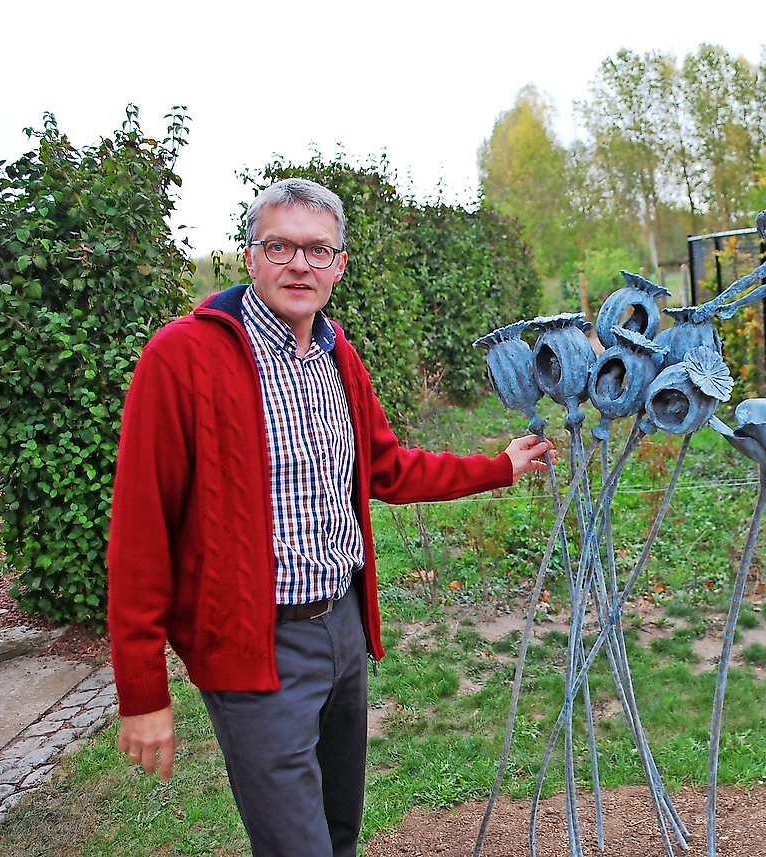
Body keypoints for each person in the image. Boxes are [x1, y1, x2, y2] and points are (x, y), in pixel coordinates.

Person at [107, 177, 553, 856]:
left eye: (318, 250)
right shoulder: (182, 358)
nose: (299, 264)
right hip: (256, 649)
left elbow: (387, 468)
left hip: (342, 631)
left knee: (339, 831)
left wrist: (497, 467)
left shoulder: (336, 356)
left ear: (340, 265)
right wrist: (142, 692)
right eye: (279, 245)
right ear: (249, 256)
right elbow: (140, 532)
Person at [692, 209, 766, 428]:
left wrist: (715, 302)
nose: (760, 236)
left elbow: (752, 278)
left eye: (760, 231)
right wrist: (734, 305)